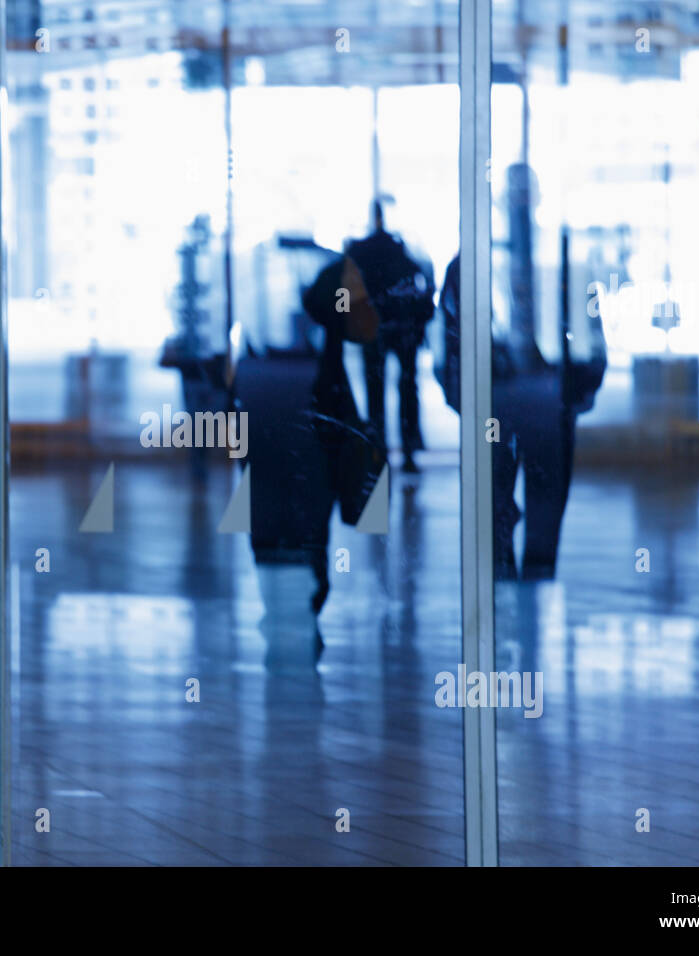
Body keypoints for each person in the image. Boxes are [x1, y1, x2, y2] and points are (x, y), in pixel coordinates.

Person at [232, 234, 396, 671]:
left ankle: (290, 613)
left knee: (278, 527)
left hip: (279, 427)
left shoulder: (298, 306)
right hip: (304, 431)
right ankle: (298, 611)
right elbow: (363, 330)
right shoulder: (328, 300)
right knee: (302, 527)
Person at [435, 164, 606, 580]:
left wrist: (460, 394)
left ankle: (520, 577)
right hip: (530, 401)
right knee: (519, 503)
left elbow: (449, 340)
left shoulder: (478, 261)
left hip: (515, 401)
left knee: (510, 504)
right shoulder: (555, 261)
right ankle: (524, 575)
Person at [349, 202, 437, 471]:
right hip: (403, 326)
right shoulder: (400, 250)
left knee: (376, 390)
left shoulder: (360, 251)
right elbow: (421, 283)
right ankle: (409, 449)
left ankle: (379, 450)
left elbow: (350, 291)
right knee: (407, 387)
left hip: (374, 327)